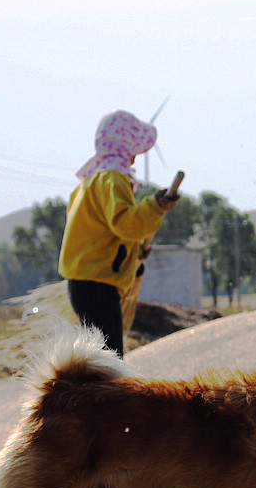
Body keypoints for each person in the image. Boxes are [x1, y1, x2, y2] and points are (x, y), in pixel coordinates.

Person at [58, 110, 179, 357]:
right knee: (109, 361)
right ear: (127, 147)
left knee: (100, 358)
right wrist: (155, 206)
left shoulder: (91, 180)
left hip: (84, 280)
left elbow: (104, 232)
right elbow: (127, 225)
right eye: (135, 148)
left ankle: (89, 395)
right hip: (97, 282)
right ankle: (96, 397)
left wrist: (135, 252)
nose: (136, 156)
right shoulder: (114, 178)